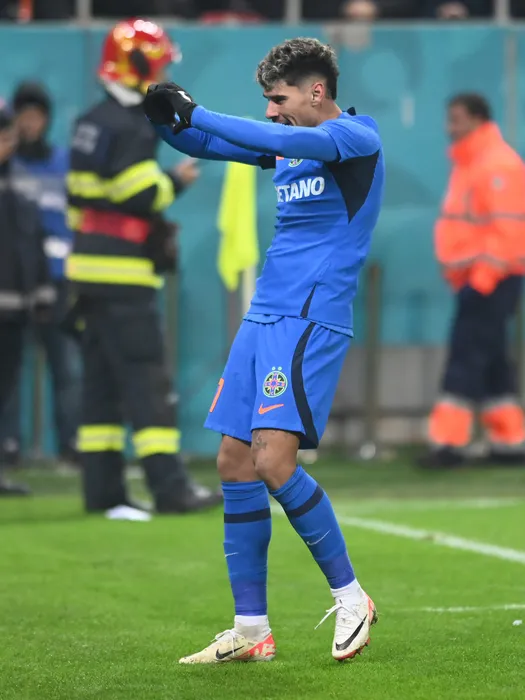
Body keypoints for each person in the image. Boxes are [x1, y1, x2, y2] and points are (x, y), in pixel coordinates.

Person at [144, 37, 385, 662]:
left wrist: (197, 111)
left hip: (310, 317)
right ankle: (251, 630)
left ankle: (352, 598)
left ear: (317, 91)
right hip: (264, 316)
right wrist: (163, 121)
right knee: (233, 461)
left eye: (278, 99)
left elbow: (267, 137)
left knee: (274, 461)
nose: (272, 111)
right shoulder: (289, 145)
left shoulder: (355, 138)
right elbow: (206, 144)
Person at [66, 18, 222, 517]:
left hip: (86, 274)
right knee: (146, 383)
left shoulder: (90, 121)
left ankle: (104, 492)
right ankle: (170, 489)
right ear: (136, 64)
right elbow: (137, 192)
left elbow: (81, 199)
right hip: (125, 276)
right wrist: (174, 182)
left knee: (101, 386)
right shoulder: (131, 124)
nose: (162, 74)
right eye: (158, 64)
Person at [418, 94, 525, 469]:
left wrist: (481, 280)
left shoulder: (495, 165)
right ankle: (509, 442)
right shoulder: (475, 162)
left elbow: (508, 232)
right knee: (491, 360)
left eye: (456, 119)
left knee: (465, 358)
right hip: (483, 279)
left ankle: (449, 444)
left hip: (489, 280)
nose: (449, 127)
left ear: (478, 119)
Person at [0, 81, 82, 467]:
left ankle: (70, 445)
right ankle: (9, 446)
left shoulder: (64, 162)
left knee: (65, 366)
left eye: (36, 116)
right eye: (24, 117)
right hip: (14, 280)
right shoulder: (7, 166)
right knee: (8, 369)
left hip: (59, 279)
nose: (29, 124)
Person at [0, 106, 56, 495]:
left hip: (14, 308)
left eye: (9, 138)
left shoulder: (20, 182)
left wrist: (41, 293)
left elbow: (33, 241)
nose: (8, 145)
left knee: (5, 391)